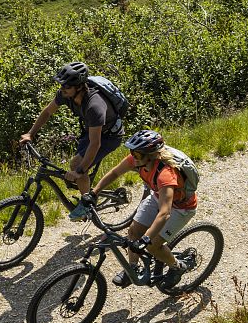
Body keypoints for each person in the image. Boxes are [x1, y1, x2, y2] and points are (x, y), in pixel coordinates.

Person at [93, 129, 198, 289]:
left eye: (137, 154)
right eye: (132, 152)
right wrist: (94, 193)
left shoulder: (165, 175)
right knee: (133, 231)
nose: (133, 157)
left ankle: (177, 267)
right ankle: (132, 269)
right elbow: (115, 173)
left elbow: (165, 213)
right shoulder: (138, 160)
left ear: (151, 155)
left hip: (181, 208)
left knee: (152, 245)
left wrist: (146, 239)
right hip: (158, 196)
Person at [15, 62, 122, 218]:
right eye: (61, 84)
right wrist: (30, 134)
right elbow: (47, 112)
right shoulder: (66, 94)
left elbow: (95, 143)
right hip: (91, 130)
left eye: (66, 85)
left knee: (78, 166)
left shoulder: (94, 105)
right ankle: (86, 191)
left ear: (79, 86)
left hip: (110, 136)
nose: (62, 88)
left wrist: (79, 171)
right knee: (75, 165)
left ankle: (87, 206)